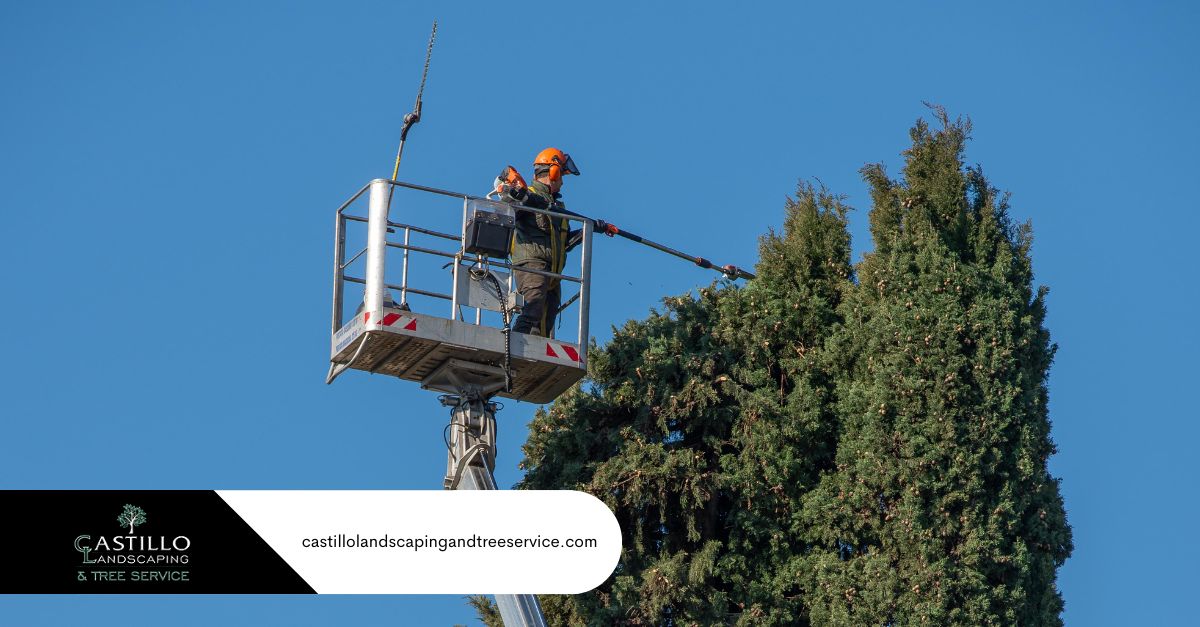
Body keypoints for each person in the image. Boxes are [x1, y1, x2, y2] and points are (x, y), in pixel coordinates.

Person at [501, 147, 582, 337]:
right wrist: (518, 196)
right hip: (533, 264)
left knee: (547, 321)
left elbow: (564, 242)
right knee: (532, 308)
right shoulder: (526, 194)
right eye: (562, 175)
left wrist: (588, 230)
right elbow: (511, 211)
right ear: (553, 172)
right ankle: (514, 346)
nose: (562, 181)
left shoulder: (557, 207)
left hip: (553, 272)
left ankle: (532, 353)